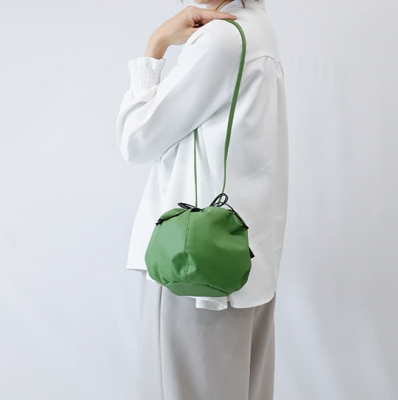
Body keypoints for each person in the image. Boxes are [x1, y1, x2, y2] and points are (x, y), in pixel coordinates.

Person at [115, 0, 288, 398]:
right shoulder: (258, 28)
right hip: (243, 261)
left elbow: (136, 139)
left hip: (192, 269)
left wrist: (157, 44)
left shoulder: (220, 40)